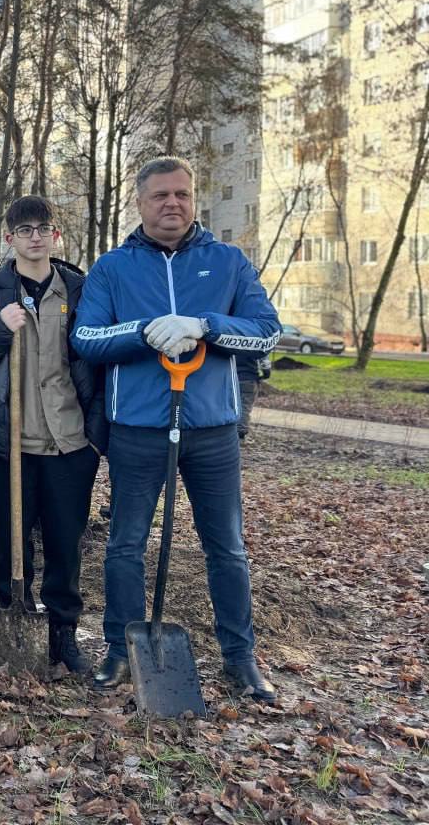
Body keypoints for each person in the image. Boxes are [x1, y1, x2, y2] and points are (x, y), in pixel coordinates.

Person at [72, 156, 282, 702]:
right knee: (125, 545)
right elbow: (87, 339)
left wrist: (204, 325)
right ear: (140, 203)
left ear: (195, 200)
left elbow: (266, 332)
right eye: (161, 196)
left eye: (182, 195)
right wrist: (144, 332)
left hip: (212, 429)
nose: (173, 204)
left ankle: (240, 658)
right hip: (138, 427)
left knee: (227, 548)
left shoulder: (229, 262)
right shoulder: (112, 268)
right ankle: (121, 650)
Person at [0, 199, 107, 673]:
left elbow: (100, 363)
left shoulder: (81, 291)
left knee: (65, 541)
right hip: (10, 444)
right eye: (25, 229)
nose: (35, 237)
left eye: (44, 228)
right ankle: (13, 615)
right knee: (9, 539)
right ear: (10, 239)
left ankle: (63, 632)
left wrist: (97, 435)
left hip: (70, 441)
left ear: (56, 235)